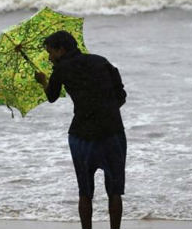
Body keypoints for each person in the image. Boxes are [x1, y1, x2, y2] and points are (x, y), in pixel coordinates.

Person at [35, 30, 127, 229]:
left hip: (82, 135)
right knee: (114, 191)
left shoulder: (61, 69)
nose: (50, 58)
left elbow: (51, 96)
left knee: (85, 192)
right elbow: (121, 95)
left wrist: (43, 81)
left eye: (51, 53)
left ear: (61, 49)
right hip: (112, 131)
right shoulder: (101, 61)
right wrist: (105, 112)